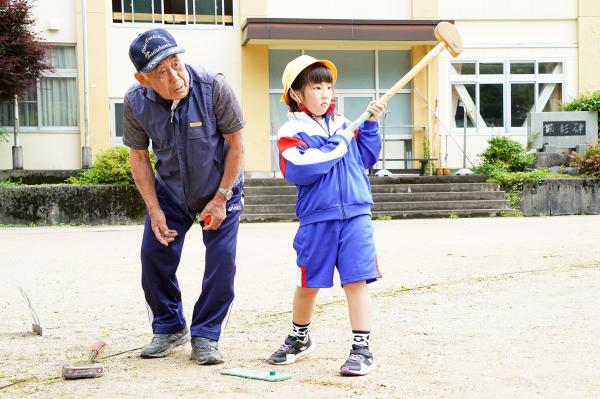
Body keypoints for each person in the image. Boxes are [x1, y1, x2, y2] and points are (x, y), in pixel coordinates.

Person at [123, 28, 244, 365]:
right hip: (171, 190)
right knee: (153, 254)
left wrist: (221, 197)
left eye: (176, 63)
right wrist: (154, 209)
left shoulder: (212, 86)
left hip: (220, 185)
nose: (175, 76)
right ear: (143, 79)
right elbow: (138, 157)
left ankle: (206, 335)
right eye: (161, 72)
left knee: (221, 263)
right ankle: (169, 325)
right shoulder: (135, 102)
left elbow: (237, 144)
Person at [267, 55, 385, 376]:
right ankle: (300, 337)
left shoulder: (348, 124)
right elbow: (304, 168)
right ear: (295, 94)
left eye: (328, 86)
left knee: (356, 281)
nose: (325, 93)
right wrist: (340, 141)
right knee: (309, 282)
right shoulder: (290, 131)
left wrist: (370, 126)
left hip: (357, 214)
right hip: (317, 219)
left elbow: (367, 157)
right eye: (316, 87)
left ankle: (362, 349)